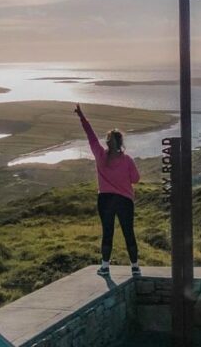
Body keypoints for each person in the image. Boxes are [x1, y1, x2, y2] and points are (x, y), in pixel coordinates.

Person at [74, 103, 141, 277]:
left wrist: (82, 117)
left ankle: (105, 266)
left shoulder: (100, 155)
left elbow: (91, 136)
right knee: (128, 232)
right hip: (125, 200)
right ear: (121, 143)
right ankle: (134, 266)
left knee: (107, 232)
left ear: (108, 142)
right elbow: (136, 179)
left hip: (105, 200)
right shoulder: (127, 160)